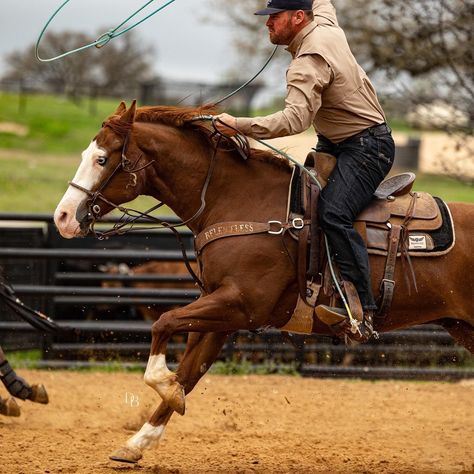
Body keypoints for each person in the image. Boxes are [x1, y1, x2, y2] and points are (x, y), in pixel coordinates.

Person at [215, 0, 395, 341]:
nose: (267, 25)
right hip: (343, 142)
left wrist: (237, 125)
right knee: (297, 206)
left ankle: (362, 309)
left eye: (274, 18)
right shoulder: (325, 23)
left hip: (366, 149)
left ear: (298, 18)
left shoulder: (309, 62)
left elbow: (295, 120)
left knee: (333, 213)